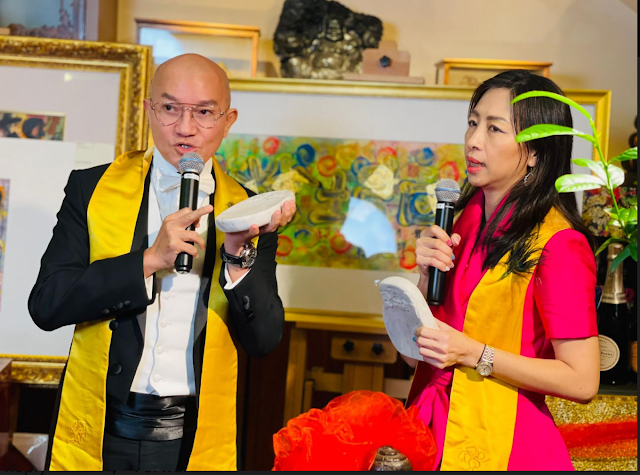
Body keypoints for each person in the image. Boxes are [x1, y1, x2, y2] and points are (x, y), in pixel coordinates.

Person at [28, 53, 296, 471]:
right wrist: (148, 260)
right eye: (170, 108)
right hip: (103, 427)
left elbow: (263, 341)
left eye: (204, 112)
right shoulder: (91, 188)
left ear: (228, 120)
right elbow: (47, 304)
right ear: (148, 109)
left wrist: (236, 257)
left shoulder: (248, 210)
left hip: (190, 437)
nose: (185, 128)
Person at [405, 70, 600, 471]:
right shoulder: (461, 221)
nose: (473, 140)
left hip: (504, 441)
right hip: (431, 424)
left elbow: (582, 381)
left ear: (534, 153)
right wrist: (424, 280)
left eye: (494, 129)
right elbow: (414, 358)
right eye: (472, 122)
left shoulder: (558, 243)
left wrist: (476, 353)